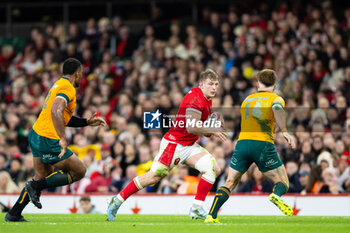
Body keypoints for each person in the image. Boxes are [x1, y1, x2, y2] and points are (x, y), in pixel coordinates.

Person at [107, 68, 227, 221]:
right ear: (201, 84)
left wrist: (212, 130)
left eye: (216, 84)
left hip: (189, 145)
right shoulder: (195, 99)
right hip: (174, 145)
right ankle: (117, 200)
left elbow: (199, 129)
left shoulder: (206, 99)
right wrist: (212, 130)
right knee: (153, 177)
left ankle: (196, 208)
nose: (214, 87)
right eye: (211, 84)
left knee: (213, 168)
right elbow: (191, 127)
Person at [5, 58, 106, 222]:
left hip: (36, 133)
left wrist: (86, 122)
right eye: (81, 74)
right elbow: (56, 111)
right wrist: (63, 138)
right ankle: (34, 187)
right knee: (79, 171)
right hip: (48, 137)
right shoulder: (68, 88)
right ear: (77, 73)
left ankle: (14, 213)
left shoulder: (58, 84)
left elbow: (62, 116)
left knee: (42, 175)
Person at [205, 69, 296, 223]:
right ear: (274, 85)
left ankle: (211, 215)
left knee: (230, 182)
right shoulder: (276, 99)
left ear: (258, 84)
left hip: (242, 144)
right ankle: (276, 195)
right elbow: (278, 110)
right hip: (262, 144)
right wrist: (285, 131)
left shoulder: (247, 100)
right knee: (282, 181)